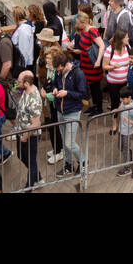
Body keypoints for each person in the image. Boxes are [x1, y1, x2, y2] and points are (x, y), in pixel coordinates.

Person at [51, 49, 88, 177]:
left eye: (59, 69)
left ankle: (83, 162)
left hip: (72, 111)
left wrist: (67, 93)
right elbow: (54, 83)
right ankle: (68, 165)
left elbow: (83, 94)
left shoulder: (78, 74)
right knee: (64, 141)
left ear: (66, 64)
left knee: (69, 143)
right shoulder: (58, 71)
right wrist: (55, 89)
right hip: (60, 111)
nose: (57, 72)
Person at [13, 70, 44, 188]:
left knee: (31, 162)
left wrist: (25, 137)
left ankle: (29, 186)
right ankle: (38, 177)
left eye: (19, 81)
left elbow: (35, 124)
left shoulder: (34, 99)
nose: (17, 83)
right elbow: (15, 89)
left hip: (30, 136)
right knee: (21, 156)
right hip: (20, 131)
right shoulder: (25, 90)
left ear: (26, 83)